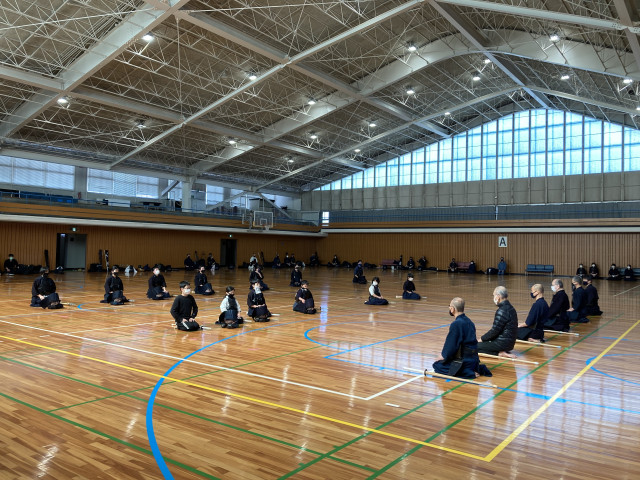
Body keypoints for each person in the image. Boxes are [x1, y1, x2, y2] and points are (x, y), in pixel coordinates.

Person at [432, 297, 492, 379]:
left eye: (450, 306)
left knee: (437, 366)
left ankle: (467, 372)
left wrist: (443, 356)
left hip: (464, 360)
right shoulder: (469, 321)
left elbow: (451, 346)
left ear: (452, 309)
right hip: (474, 360)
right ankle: (470, 369)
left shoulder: (456, 324)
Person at [477, 286, 518, 357]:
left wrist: (482, 339)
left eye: (494, 295)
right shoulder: (511, 308)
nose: (493, 298)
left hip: (502, 344)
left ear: (498, 296)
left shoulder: (502, 311)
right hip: (509, 343)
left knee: (474, 347)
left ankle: (499, 353)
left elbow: (494, 331)